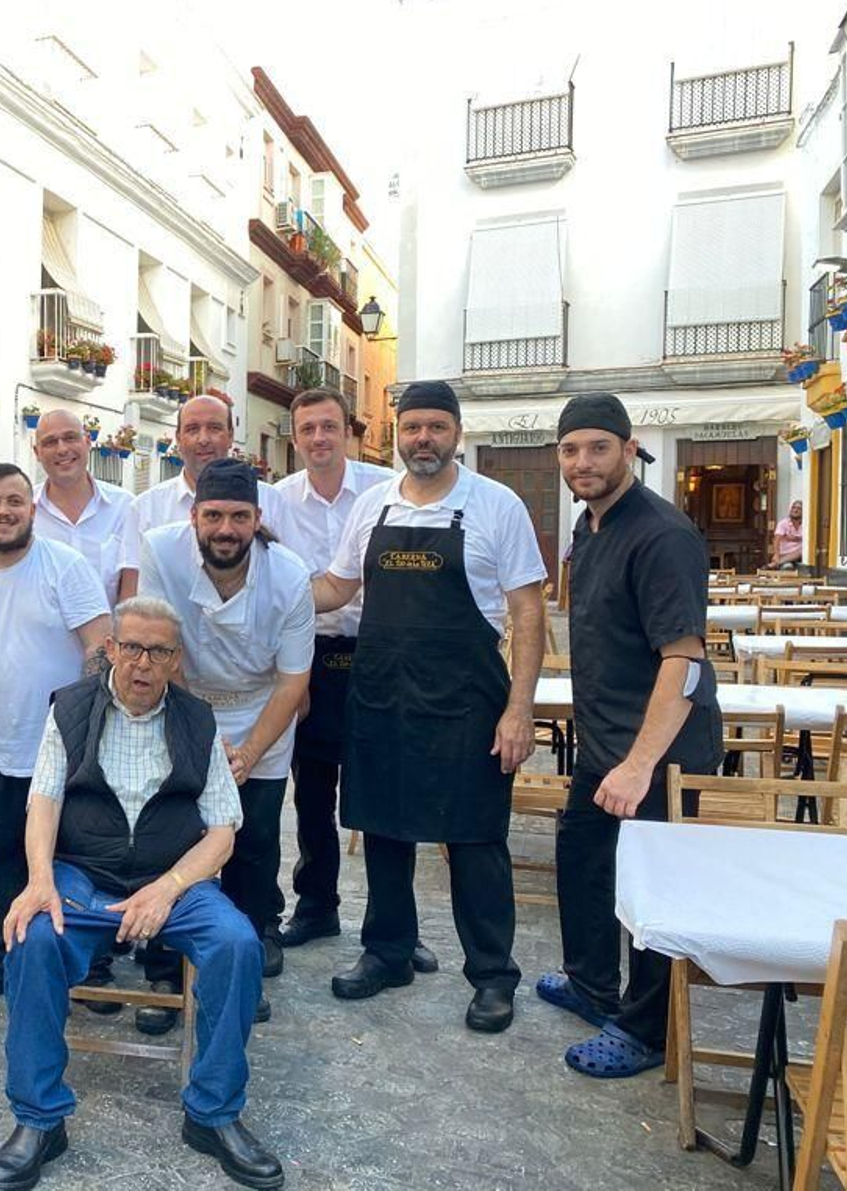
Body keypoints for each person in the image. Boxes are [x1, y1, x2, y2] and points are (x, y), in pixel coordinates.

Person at [0, 597, 283, 1191]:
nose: (143, 663)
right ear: (111, 649)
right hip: (82, 873)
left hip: (172, 877)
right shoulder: (70, 708)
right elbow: (43, 801)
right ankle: (39, 1118)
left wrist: (167, 888)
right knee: (33, 938)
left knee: (236, 944)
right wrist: (40, 880)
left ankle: (213, 1113)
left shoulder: (198, 721)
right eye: (132, 648)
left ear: (176, 659)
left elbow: (222, 831)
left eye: (159, 651)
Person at [311, 381, 545, 1034]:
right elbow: (337, 587)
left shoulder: (496, 505)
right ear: (399, 434)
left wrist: (520, 709)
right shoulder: (373, 505)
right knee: (383, 829)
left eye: (436, 427)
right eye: (412, 427)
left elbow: (528, 612)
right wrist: (263, 593)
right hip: (382, 696)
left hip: (467, 702)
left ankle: (492, 976)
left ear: (457, 434)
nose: (423, 439)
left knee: (474, 840)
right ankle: (387, 953)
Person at [541, 393, 723, 1077]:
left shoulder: (662, 535)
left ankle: (647, 1031)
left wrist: (641, 764)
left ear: (628, 448)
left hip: (661, 750)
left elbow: (684, 661)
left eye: (598, 447)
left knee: (653, 889)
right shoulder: (590, 526)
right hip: (605, 742)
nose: (583, 462)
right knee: (583, 857)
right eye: (570, 450)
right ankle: (592, 985)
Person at [0, 463, 112, 1005]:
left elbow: (100, 645)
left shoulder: (66, 567)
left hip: (66, 750)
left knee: (77, 859)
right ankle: (2, 957)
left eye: (14, 501)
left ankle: (88, 965)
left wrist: (82, 729)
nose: (3, 512)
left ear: (31, 509)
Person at [140, 459, 313, 1023]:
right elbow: (161, 648)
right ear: (194, 516)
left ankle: (239, 972)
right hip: (183, 701)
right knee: (172, 836)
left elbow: (293, 681)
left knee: (254, 844)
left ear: (257, 520)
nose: (225, 529)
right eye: (213, 515)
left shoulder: (289, 576)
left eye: (239, 517)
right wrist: (205, 741)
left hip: (263, 710)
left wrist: (249, 753)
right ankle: (165, 972)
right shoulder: (161, 550)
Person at [271, 389, 396, 951]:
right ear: (295, 437)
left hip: (378, 653)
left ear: (348, 431)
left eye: (328, 426)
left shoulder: (386, 489)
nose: (318, 438)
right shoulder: (277, 501)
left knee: (384, 792)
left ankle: (394, 922)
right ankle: (316, 905)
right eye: (307, 429)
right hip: (311, 656)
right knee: (312, 794)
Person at [117, 393, 291, 601]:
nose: (203, 439)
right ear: (178, 438)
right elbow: (132, 595)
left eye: (214, 428)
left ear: (231, 436)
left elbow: (288, 579)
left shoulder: (270, 500)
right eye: (192, 429)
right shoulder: (146, 507)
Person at [32, 409, 134, 607]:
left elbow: (131, 591)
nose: (62, 449)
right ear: (37, 453)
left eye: (70, 438)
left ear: (87, 442)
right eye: (50, 442)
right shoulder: (23, 512)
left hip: (109, 627)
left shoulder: (124, 507)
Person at [765, 499, 804, 570]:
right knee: (787, 567)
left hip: (800, 556)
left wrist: (795, 538)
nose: (795, 510)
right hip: (785, 555)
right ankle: (779, 562)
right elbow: (776, 540)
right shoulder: (783, 523)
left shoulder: (806, 524)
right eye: (793, 508)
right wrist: (776, 555)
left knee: (803, 549)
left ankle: (774, 564)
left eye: (799, 508)